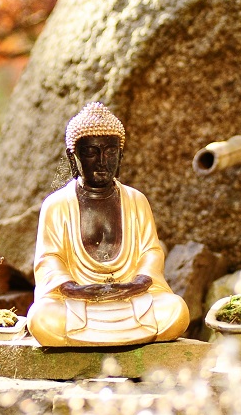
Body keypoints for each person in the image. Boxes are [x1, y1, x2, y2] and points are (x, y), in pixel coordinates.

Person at [27, 102, 190, 346]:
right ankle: (120, 336)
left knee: (176, 311)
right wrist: (72, 288)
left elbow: (150, 251)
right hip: (78, 302)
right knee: (42, 318)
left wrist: (139, 282)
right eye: (92, 153)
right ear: (74, 158)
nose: (103, 162)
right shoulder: (57, 204)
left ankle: (90, 340)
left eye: (111, 152)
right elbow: (48, 259)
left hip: (130, 298)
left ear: (121, 156)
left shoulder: (136, 200)